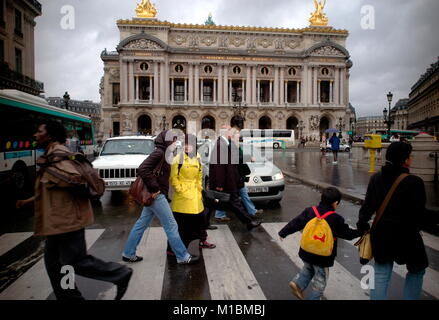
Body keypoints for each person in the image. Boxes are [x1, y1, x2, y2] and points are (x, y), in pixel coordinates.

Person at [16, 121, 133, 300]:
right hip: (58, 221)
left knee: (74, 261)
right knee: (56, 265)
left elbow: (74, 179)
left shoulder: (59, 155)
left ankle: (119, 273)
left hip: (67, 220)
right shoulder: (53, 155)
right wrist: (29, 200)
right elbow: (51, 188)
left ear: (49, 135)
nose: (35, 134)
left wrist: (53, 172)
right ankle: (71, 296)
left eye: (39, 131)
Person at [356, 142, 431, 300]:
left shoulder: (376, 178)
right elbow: (420, 214)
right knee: (417, 270)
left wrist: (362, 224)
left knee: (381, 273)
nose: (411, 159)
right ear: (405, 160)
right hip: (407, 235)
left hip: (382, 233)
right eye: (410, 156)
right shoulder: (414, 182)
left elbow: (367, 206)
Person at [122, 130, 200, 265]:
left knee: (141, 224)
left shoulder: (165, 153)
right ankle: (182, 256)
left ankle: (128, 253)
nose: (176, 143)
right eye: (174, 140)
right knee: (171, 225)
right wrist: (155, 188)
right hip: (156, 196)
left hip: (154, 196)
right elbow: (143, 169)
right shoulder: (159, 153)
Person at [278, 187, 362, 300]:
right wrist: (360, 232)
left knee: (308, 268)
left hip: (306, 251)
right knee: (320, 279)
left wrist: (283, 233)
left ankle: (298, 284)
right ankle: (314, 298)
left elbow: (296, 223)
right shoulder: (336, 218)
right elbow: (347, 234)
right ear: (336, 203)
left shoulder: (310, 211)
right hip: (322, 256)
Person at [208, 117, 262, 231]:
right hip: (224, 183)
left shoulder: (225, 144)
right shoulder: (220, 145)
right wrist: (219, 185)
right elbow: (219, 168)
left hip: (228, 181)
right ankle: (248, 221)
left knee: (231, 204)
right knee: (215, 204)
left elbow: (233, 161)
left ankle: (248, 221)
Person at [169, 134, 216, 251]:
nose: (186, 147)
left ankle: (202, 240)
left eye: (189, 144)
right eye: (185, 144)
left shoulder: (198, 157)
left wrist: (199, 189)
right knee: (182, 224)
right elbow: (173, 178)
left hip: (195, 194)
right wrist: (181, 190)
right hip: (182, 197)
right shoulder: (177, 159)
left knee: (200, 220)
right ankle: (176, 248)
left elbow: (199, 175)